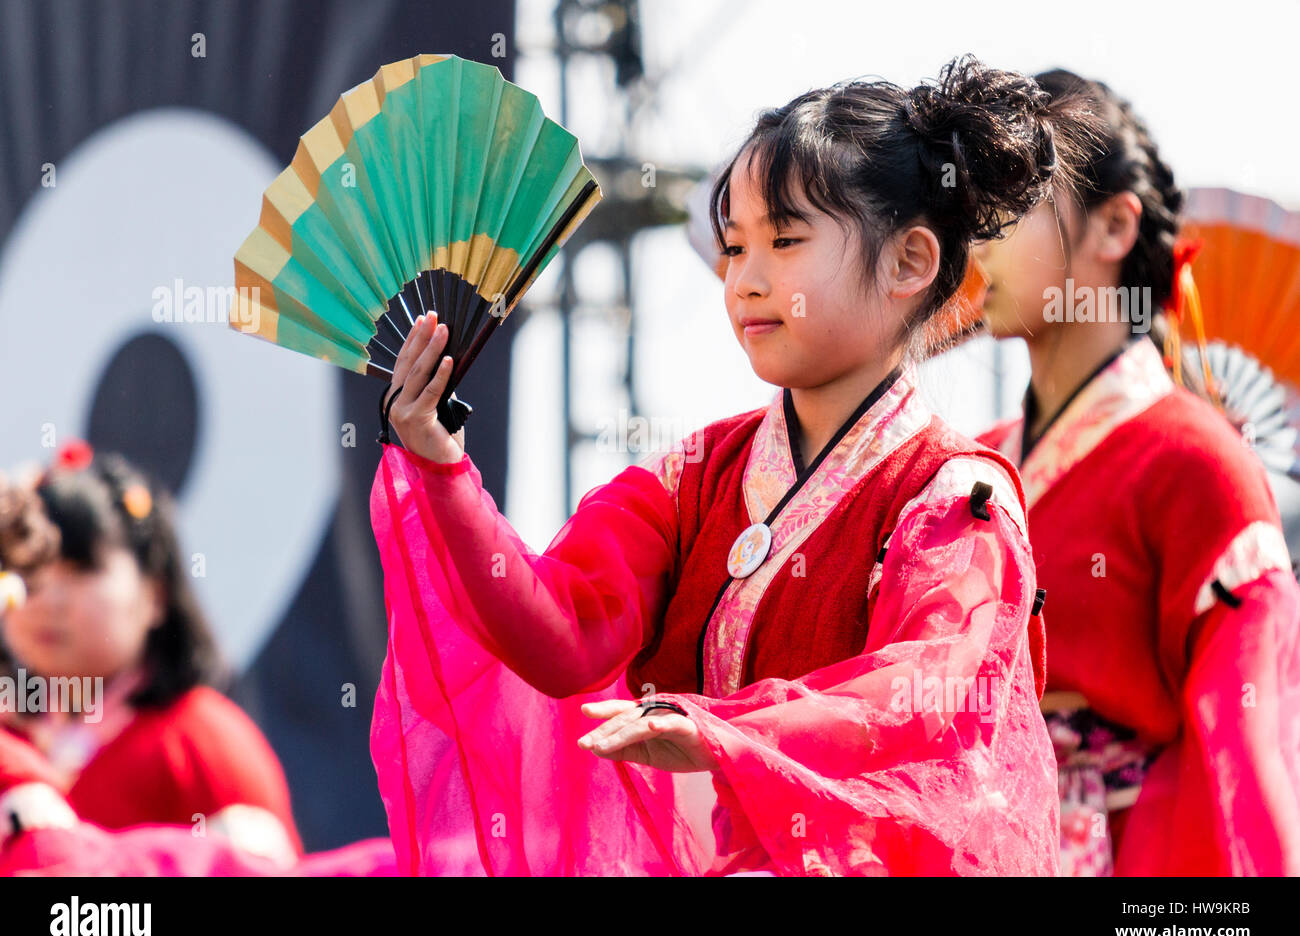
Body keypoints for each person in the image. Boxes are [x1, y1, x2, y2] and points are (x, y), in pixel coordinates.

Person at [369, 55, 1093, 876]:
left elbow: (925, 691)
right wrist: (442, 468)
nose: (744, 281)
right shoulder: (698, 473)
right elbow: (563, 633)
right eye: (735, 246)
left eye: (784, 242)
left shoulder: (956, 497)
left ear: (910, 263)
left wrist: (729, 729)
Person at [974, 70, 1300, 875]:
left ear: (1114, 225)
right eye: (973, 210)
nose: (975, 239)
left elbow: (1244, 743)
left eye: (1010, 208)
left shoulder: (1199, 461)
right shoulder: (968, 466)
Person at [0, 441, 303, 865]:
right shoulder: (12, 732)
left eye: (79, 571)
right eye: (31, 572)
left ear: (155, 595)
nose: (47, 599)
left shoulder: (201, 745)